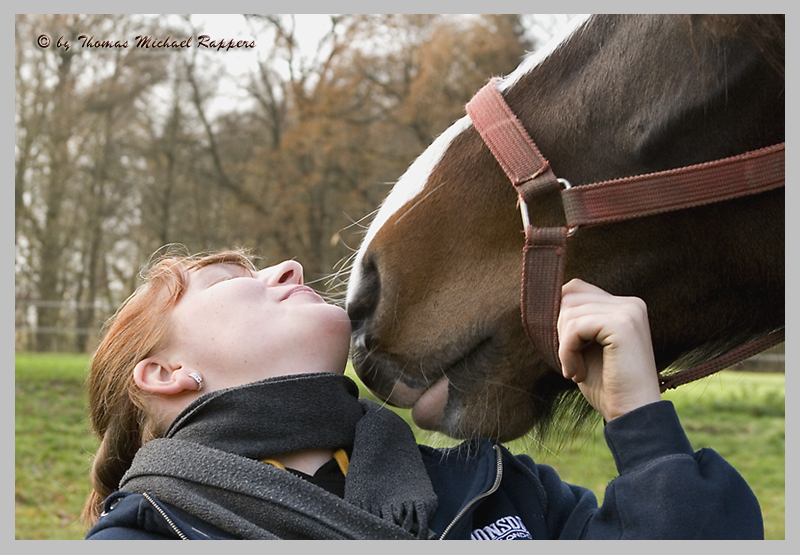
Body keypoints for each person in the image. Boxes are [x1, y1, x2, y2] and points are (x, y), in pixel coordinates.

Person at [83, 247, 764, 540]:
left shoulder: (500, 485)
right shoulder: (146, 535)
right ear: (165, 373)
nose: (288, 265)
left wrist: (638, 416)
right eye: (232, 277)